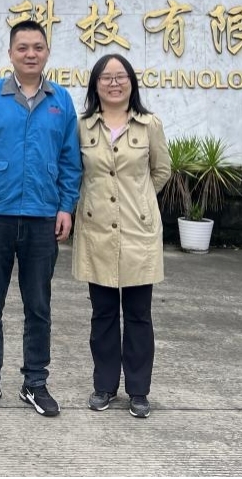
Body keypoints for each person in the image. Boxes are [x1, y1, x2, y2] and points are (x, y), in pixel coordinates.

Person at [0, 19, 81, 417]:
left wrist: (66, 207)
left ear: (47, 52)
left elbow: (70, 160)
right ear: (10, 53)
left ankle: (35, 382)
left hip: (42, 216)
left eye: (38, 47)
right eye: (23, 47)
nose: (31, 54)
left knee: (38, 306)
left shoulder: (61, 100)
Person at [72, 53, 171, 419]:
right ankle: (104, 385)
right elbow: (75, 172)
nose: (114, 83)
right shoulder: (83, 126)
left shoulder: (149, 125)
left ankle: (139, 390)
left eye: (121, 77)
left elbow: (161, 171)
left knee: (139, 314)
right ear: (95, 85)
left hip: (138, 231)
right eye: (106, 77)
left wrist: (140, 201)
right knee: (103, 314)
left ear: (132, 82)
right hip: (97, 230)